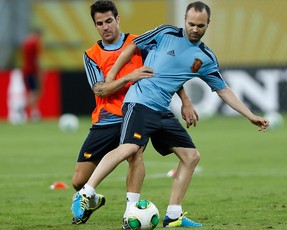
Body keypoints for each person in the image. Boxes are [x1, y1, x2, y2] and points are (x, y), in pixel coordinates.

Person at [72, 1, 269, 228]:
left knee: (191, 156)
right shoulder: (165, 32)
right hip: (139, 102)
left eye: (200, 26)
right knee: (130, 149)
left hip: (162, 110)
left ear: (208, 24)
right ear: (184, 19)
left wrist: (249, 115)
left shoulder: (205, 57)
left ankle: (174, 215)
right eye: (191, 24)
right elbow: (133, 45)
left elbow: (223, 89)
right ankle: (86, 192)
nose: (195, 29)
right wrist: (115, 74)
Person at [71, 0, 198, 226]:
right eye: (99, 23)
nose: (105, 27)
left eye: (109, 21)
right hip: (106, 118)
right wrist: (129, 77)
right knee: (78, 180)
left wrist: (185, 100)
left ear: (117, 19)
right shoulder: (91, 55)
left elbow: (165, 72)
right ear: (95, 26)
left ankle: (131, 211)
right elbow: (100, 90)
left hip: (137, 110)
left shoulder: (140, 43)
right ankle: (92, 199)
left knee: (135, 153)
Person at [21, 27, 43, 121]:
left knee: (31, 92)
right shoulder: (35, 43)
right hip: (32, 71)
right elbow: (36, 59)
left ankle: (34, 113)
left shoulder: (26, 42)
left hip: (26, 70)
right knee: (36, 92)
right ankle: (21, 107)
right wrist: (40, 71)